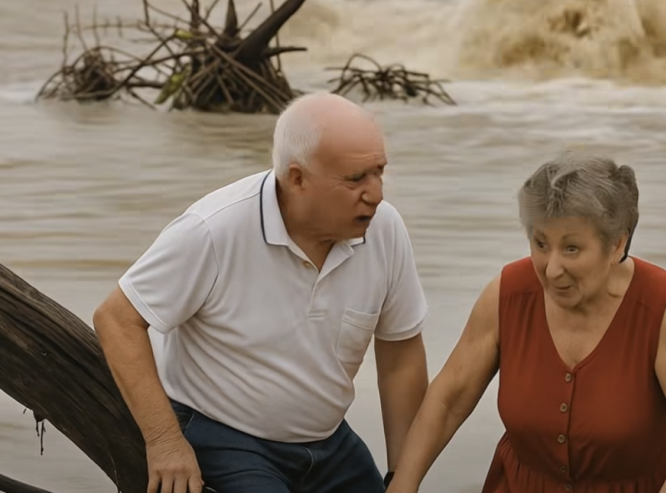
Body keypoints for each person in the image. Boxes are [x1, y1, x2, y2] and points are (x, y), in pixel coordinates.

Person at [93, 92, 429, 493]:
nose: (376, 194)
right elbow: (116, 319)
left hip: (329, 441)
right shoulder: (213, 229)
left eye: (379, 172)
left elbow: (400, 356)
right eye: (356, 179)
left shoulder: (384, 228)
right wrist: (165, 443)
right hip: (224, 434)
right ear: (297, 177)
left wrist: (402, 477)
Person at [387, 152, 666, 493]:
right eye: (540, 243)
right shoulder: (508, 294)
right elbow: (449, 399)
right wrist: (402, 484)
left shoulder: (661, 306)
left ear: (617, 244)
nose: (551, 269)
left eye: (572, 249)